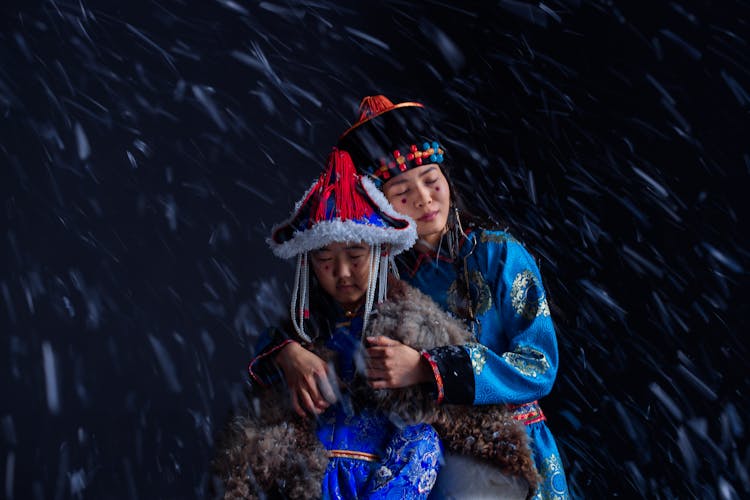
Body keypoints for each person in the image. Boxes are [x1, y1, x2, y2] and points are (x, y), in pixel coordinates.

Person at [336, 95, 570, 499]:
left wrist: (428, 367)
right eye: (402, 192)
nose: (425, 199)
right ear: (380, 207)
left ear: (447, 180)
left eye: (431, 180)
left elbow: (539, 365)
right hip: (421, 451)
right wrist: (292, 354)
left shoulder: (498, 254)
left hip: (507, 449)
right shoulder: (381, 278)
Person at [245, 148, 442, 498]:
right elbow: (262, 371)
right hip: (310, 474)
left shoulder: (413, 322)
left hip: (381, 473)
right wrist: (287, 353)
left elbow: (441, 409)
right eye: (325, 260)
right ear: (307, 263)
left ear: (380, 253)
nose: (342, 272)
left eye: (355, 256)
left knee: (424, 441)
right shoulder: (303, 329)